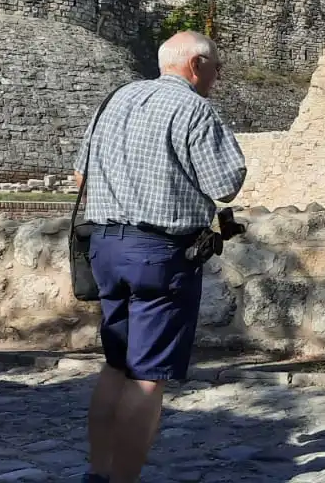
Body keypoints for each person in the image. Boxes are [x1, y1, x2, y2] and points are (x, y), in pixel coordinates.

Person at [76, 31, 247, 483]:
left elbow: (81, 174)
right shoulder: (194, 108)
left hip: (105, 247)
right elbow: (226, 182)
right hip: (158, 252)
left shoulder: (113, 100)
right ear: (196, 65)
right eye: (216, 65)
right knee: (146, 377)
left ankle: (99, 471)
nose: (218, 74)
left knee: (115, 365)